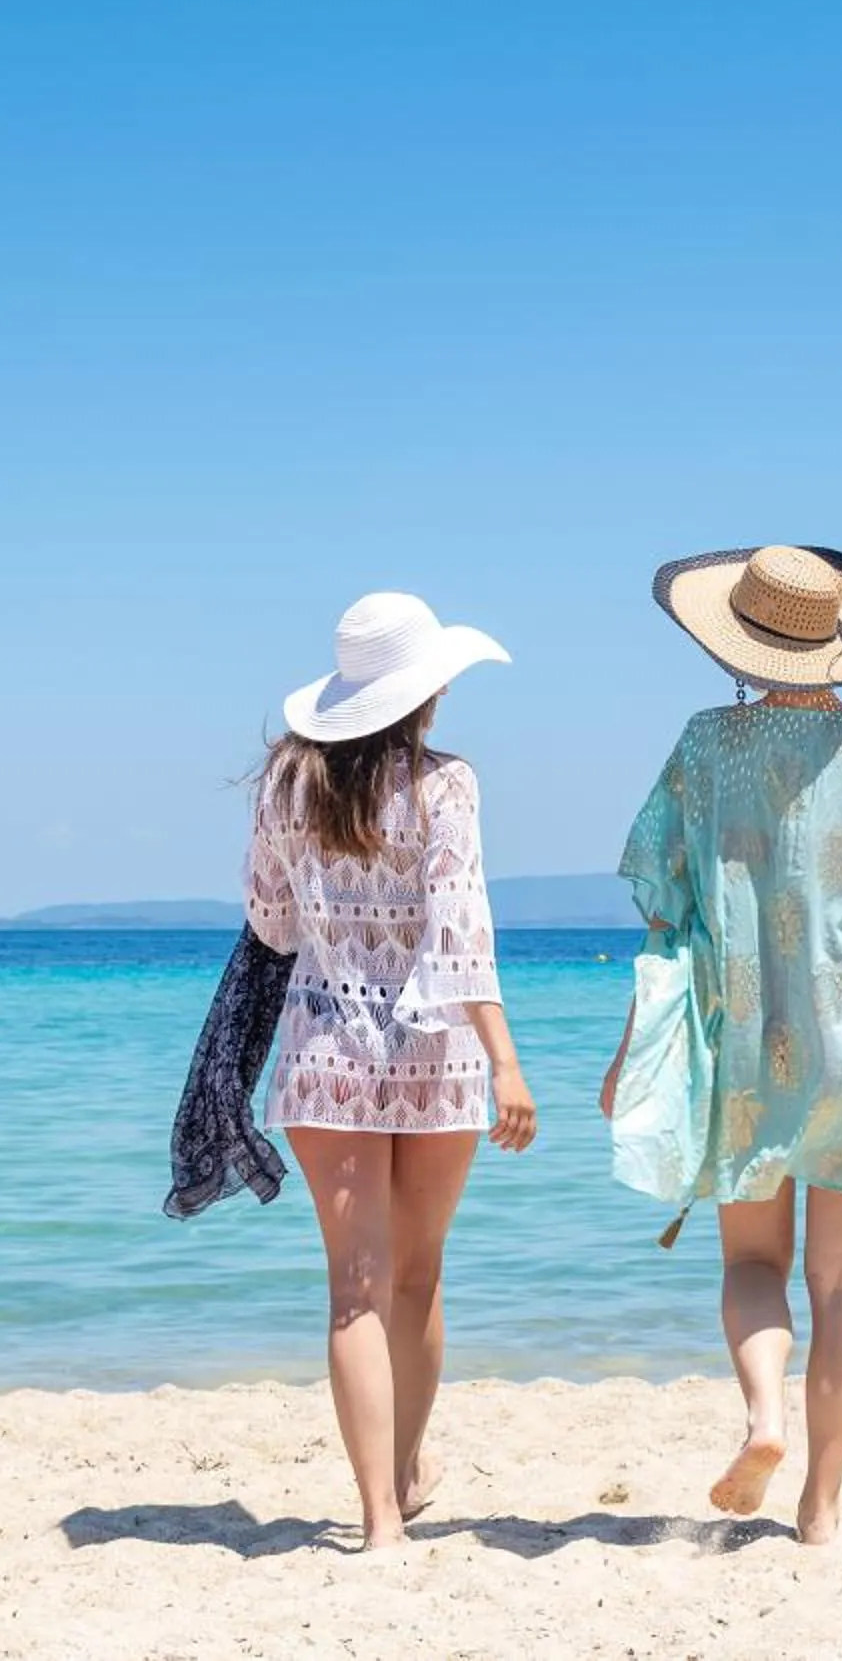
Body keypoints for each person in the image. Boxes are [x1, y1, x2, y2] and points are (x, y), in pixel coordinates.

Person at [600, 545, 842, 1545]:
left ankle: (765, 1417)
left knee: (752, 1264)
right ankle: (821, 1509)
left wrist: (628, 1050)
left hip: (743, 1049)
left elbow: (670, 914)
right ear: (838, 642)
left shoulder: (704, 744)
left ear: (738, 638)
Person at [243, 591, 537, 1549]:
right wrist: (507, 1062)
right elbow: (461, 933)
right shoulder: (447, 785)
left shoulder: (286, 787)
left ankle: (379, 1520)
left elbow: (271, 924)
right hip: (439, 1054)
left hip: (324, 1050)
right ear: (425, 690)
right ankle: (408, 1472)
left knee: (354, 1289)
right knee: (417, 1275)